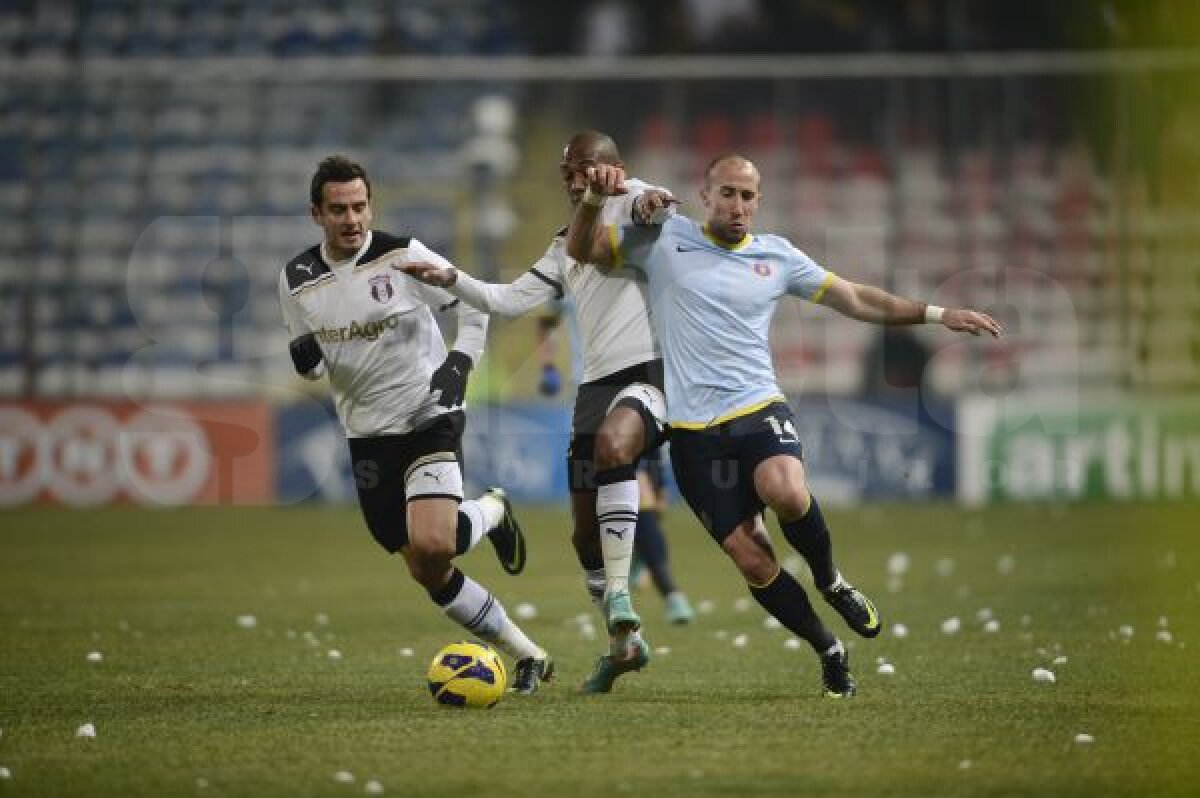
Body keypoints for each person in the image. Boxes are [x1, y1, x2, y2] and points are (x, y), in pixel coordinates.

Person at [566, 154, 1003, 697]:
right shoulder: (663, 240)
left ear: (759, 201)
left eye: (748, 196)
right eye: (728, 193)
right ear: (705, 196)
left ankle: (831, 580)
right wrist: (592, 200)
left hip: (758, 409)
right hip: (694, 434)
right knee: (752, 559)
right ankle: (829, 649)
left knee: (787, 491)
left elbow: (854, 297)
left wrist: (937, 315)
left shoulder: (777, 256)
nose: (738, 206)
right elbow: (582, 249)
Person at [399, 131, 678, 693]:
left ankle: (623, 592)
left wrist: (652, 201)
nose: (575, 181)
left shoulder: (635, 201)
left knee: (615, 449)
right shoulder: (565, 245)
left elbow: (658, 207)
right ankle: (623, 646)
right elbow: (505, 301)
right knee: (583, 538)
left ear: (615, 168)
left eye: (585, 169)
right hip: (595, 386)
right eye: (567, 173)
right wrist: (452, 279)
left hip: (650, 371)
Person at [278, 155, 553, 694]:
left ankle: (492, 511)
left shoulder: (403, 256)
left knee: (434, 542)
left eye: (359, 207)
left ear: (371, 206)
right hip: (366, 434)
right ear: (317, 214)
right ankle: (529, 654)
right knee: (427, 570)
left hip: (429, 415)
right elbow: (309, 364)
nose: (352, 219)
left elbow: (475, 306)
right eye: (339, 209)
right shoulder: (296, 279)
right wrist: (306, 362)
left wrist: (460, 362)